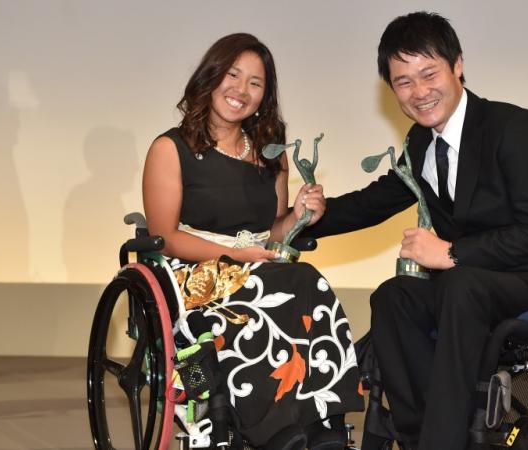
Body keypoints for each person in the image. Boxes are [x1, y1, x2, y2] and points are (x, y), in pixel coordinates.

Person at [304, 12, 528, 450]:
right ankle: (421, 434)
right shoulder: (421, 141)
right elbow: (382, 198)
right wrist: (314, 218)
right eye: (403, 82)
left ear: (458, 65)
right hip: (465, 286)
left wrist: (452, 253)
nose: (419, 92)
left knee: (459, 284)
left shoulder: (513, 127)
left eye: (429, 74)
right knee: (393, 296)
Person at [142, 33, 363, 450]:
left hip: (255, 265)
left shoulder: (270, 151)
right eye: (232, 75)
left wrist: (299, 215)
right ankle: (272, 431)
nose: (241, 90)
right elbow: (166, 238)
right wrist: (233, 255)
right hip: (194, 275)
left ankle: (322, 420)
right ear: (210, 78)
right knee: (265, 295)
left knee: (308, 282)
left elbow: (272, 229)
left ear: (264, 96)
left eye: (255, 83)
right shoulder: (171, 149)